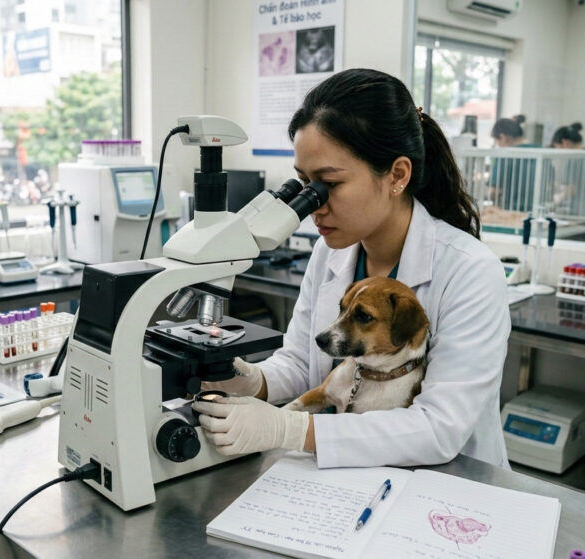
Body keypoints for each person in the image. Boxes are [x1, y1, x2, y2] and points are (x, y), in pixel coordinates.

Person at [192, 68, 511, 469]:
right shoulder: (330, 252)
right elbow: (301, 363)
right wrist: (251, 380)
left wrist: (291, 429)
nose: (314, 205)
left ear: (397, 175)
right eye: (304, 183)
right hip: (345, 481)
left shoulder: (470, 271)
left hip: (443, 485)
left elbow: (439, 428)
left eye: (329, 184)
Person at [487, 115, 541, 213]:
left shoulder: (505, 154)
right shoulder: (540, 151)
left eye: (496, 141)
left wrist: (492, 199)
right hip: (538, 212)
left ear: (503, 137)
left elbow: (494, 191)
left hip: (512, 213)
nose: (498, 145)